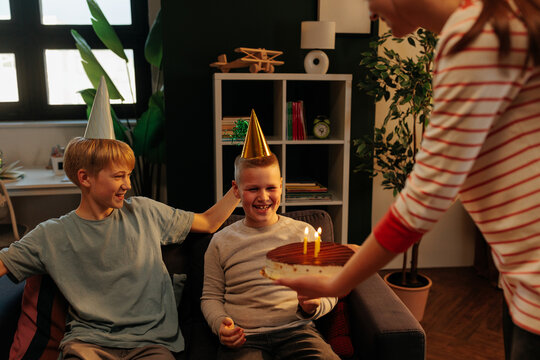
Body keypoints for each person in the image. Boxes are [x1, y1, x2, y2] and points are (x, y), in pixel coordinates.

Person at [276, 0, 540, 359]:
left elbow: (423, 202)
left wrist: (337, 282)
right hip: (521, 287)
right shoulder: (498, 22)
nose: (368, 13)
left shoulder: (476, 36)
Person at [0, 79, 240, 359]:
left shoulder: (146, 212)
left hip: (152, 343)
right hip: (88, 344)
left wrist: (239, 191)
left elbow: (209, 223)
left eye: (128, 174)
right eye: (118, 176)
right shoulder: (53, 234)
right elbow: (4, 263)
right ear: (85, 178)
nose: (127, 184)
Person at [201, 111, 340, 360]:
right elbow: (210, 296)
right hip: (244, 338)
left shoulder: (303, 234)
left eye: (271, 188)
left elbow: (329, 289)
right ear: (236, 190)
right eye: (253, 189)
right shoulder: (221, 241)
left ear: (282, 186)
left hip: (297, 332)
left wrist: (314, 306)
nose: (264, 197)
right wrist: (220, 324)